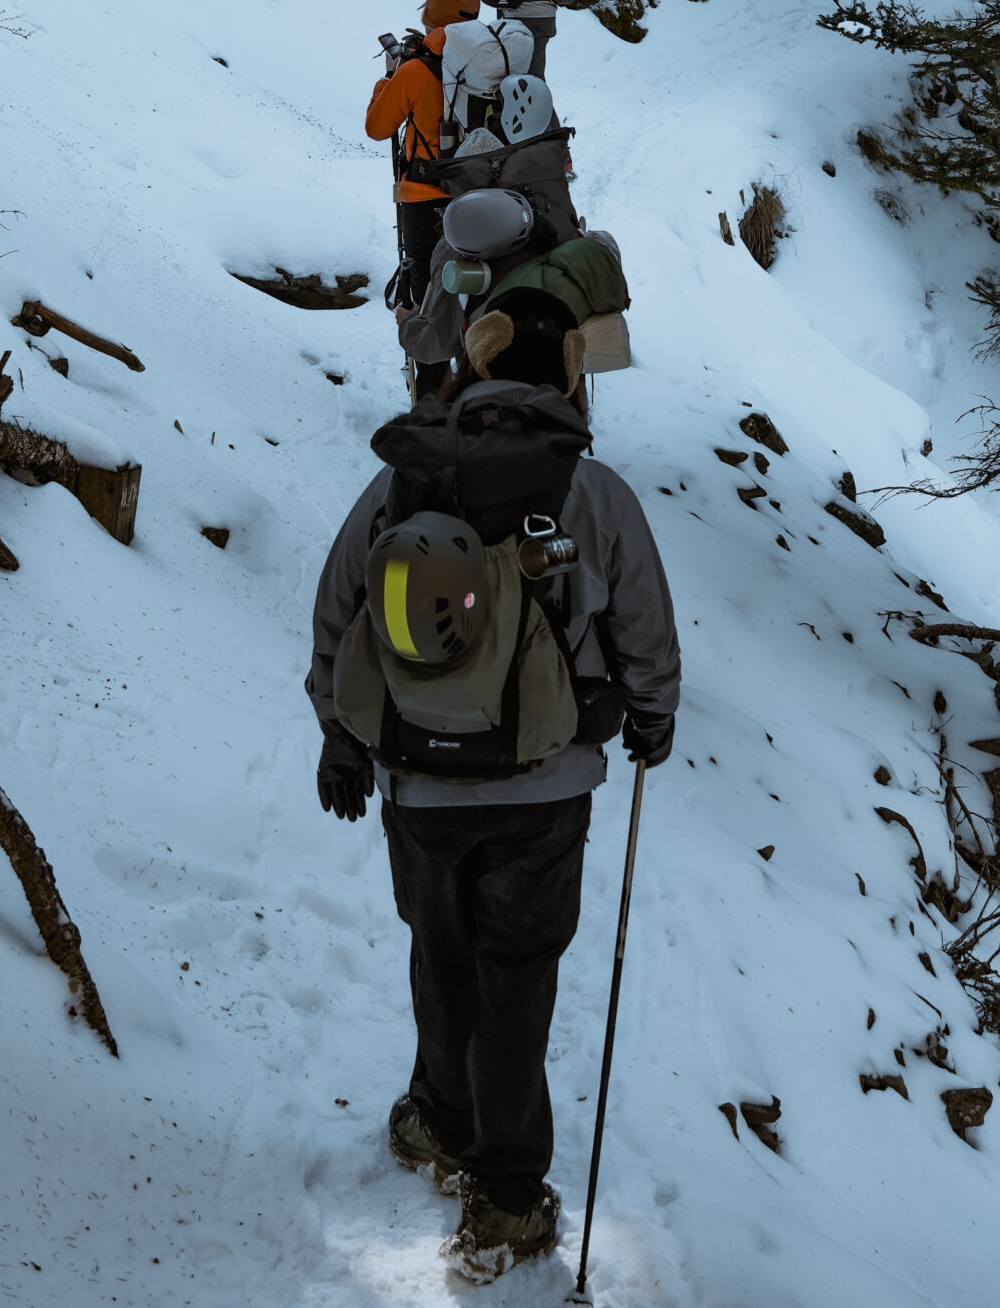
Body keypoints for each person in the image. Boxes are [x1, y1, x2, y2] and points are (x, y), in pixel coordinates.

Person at [307, 322, 680, 1280]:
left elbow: (340, 607)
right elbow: (642, 619)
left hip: (416, 787)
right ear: (564, 384)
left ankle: (439, 1117)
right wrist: (650, 715)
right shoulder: (591, 492)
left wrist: (340, 739)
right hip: (544, 791)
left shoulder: (406, 479)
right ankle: (506, 1200)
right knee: (516, 976)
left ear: (473, 370)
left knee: (441, 951)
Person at [367, 0, 480, 399]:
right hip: (482, 197)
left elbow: (377, 127)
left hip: (424, 197)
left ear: (431, 19)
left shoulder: (416, 69)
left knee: (427, 297)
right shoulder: (493, 64)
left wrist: (389, 81)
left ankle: (431, 398)